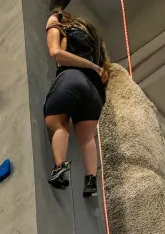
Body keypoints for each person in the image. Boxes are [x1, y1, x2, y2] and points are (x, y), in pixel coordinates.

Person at [44, 0, 111, 197]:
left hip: (71, 78)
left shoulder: (58, 24)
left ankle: (59, 167)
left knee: (56, 121)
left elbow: (56, 53)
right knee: (87, 137)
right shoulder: (89, 36)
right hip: (95, 94)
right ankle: (91, 181)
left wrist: (52, 22)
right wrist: (96, 67)